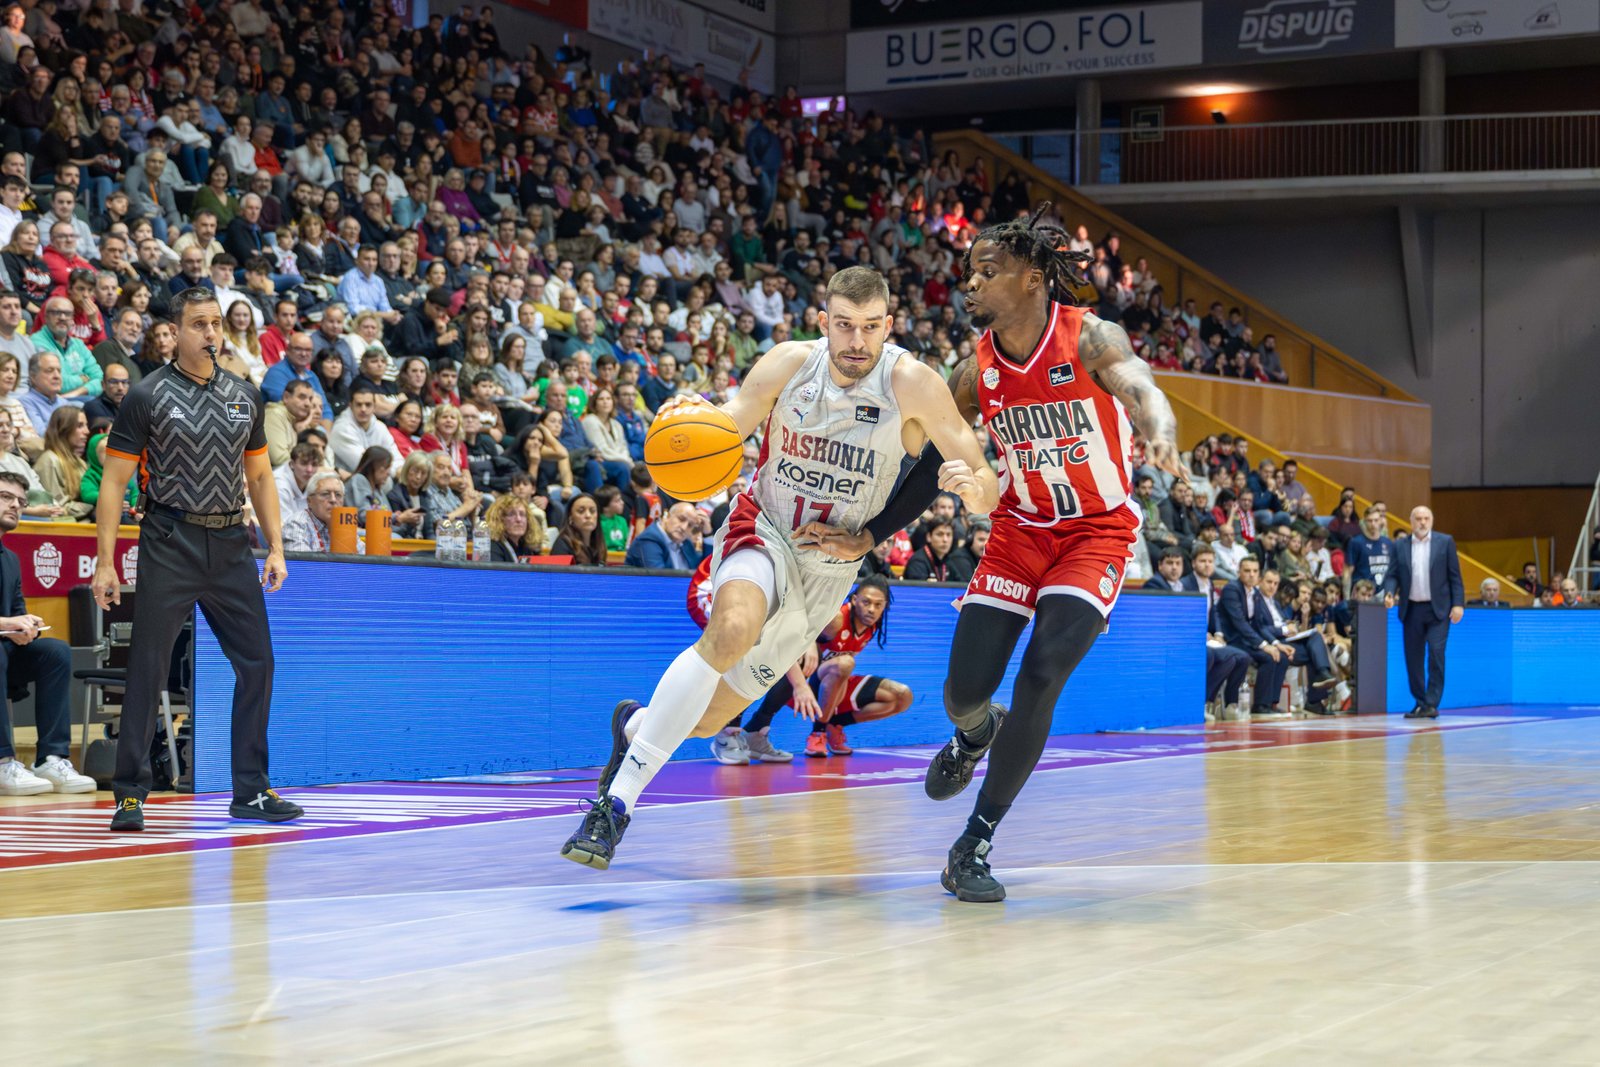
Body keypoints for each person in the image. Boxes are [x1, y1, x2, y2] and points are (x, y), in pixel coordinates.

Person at [560, 266, 997, 870]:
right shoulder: (789, 364)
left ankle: (636, 729)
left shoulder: (914, 384)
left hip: (827, 568)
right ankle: (613, 807)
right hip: (762, 526)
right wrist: (691, 420)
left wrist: (973, 492)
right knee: (731, 630)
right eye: (844, 325)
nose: (856, 342)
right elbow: (728, 424)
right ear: (824, 321)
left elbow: (982, 476)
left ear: (888, 325)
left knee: (706, 717)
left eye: (870, 328)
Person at [807, 206, 1184, 902]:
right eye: (969, 272)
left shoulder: (1090, 337)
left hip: (1095, 532)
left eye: (987, 271)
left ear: (1034, 277)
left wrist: (1160, 434)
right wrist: (871, 532)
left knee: (1042, 674)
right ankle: (977, 733)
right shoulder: (971, 372)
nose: (970, 284)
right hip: (1017, 530)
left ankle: (973, 842)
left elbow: (1144, 389)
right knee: (963, 695)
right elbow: (926, 469)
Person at [93, 287, 301, 831]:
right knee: (149, 665)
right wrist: (107, 561)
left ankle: (251, 791)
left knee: (257, 663)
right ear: (176, 332)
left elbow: (259, 474)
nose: (211, 332)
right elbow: (114, 482)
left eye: (217, 323)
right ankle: (131, 791)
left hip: (232, 542)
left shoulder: (243, 394)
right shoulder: (147, 394)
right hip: (169, 538)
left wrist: (275, 547)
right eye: (199, 324)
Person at [0, 469, 93, 794]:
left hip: (4, 653)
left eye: (21, 501)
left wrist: (27, 628)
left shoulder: (9, 558)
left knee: (55, 651)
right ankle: (3, 762)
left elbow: (16, 612)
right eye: (6, 497)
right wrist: (8, 625)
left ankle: (51, 758)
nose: (15, 505)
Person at [793, 574, 913, 758]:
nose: (872, 609)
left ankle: (835, 724)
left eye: (878, 605)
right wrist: (809, 644)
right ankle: (818, 732)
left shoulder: (873, 624)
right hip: (807, 683)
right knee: (846, 663)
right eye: (866, 602)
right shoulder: (838, 618)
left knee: (902, 696)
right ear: (855, 600)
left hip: (837, 683)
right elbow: (806, 623)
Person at [1383, 505, 1464, 719]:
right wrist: (1389, 592)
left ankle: (1432, 702)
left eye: (1426, 518)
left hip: (1438, 610)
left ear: (1432, 520)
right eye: (1418, 518)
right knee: (1413, 658)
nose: (1422, 522)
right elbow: (1392, 575)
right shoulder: (1399, 545)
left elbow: (1454, 576)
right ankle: (1420, 701)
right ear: (1411, 522)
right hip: (1412, 609)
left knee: (1436, 655)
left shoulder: (1445, 542)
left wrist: (1458, 604)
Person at [622, 500, 711, 570]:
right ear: (667, 516)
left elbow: (706, 569)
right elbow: (660, 581)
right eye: (681, 519)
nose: (684, 527)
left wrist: (708, 534)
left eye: (690, 525)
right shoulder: (649, 540)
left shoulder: (685, 542)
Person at [283, 471, 342, 552]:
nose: (333, 500)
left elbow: (363, 561)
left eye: (338, 495)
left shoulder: (345, 524)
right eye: (325, 494)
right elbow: (302, 563)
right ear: (309, 501)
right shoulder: (297, 524)